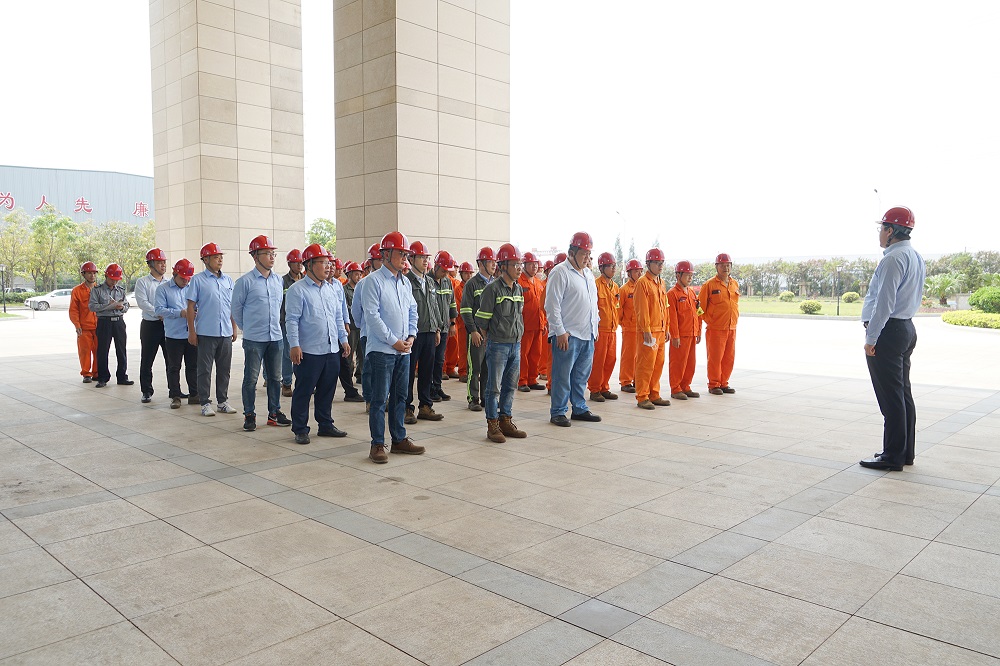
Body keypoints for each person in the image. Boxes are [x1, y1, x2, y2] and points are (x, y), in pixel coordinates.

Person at [859, 206, 926, 471]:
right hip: (905, 328)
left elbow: (884, 303)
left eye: (881, 228)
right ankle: (905, 452)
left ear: (890, 231)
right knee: (902, 394)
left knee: (891, 398)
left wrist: (871, 337)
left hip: (888, 332)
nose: (879, 233)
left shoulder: (892, 259)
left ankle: (892, 456)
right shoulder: (915, 256)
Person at [361, 231, 423, 463]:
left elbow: (413, 311)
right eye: (401, 253)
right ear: (386, 254)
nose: (405, 258)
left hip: (404, 350)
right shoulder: (373, 281)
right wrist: (393, 341)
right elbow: (372, 316)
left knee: (400, 397)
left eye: (406, 254)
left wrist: (411, 336)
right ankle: (377, 444)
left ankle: (398, 439)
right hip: (382, 351)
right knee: (379, 400)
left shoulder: (405, 282)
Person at [285, 244, 351, 445]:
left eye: (328, 262)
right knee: (304, 391)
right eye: (322, 262)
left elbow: (338, 317)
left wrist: (343, 340)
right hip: (309, 351)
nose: (328, 266)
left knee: (327, 390)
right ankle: (300, 428)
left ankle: (325, 424)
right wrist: (294, 345)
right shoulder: (298, 290)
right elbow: (291, 320)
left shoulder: (331, 289)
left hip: (331, 349)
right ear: (309, 265)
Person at [233, 235, 291, 431]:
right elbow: (236, 310)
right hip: (254, 339)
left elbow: (279, 306)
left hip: (276, 337)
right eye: (267, 253)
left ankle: (274, 413)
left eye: (273, 253)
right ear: (255, 256)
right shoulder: (245, 282)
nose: (272, 257)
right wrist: (249, 328)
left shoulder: (277, 281)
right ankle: (249, 414)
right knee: (251, 379)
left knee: (275, 378)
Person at [545, 232, 600, 426]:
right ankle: (558, 412)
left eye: (589, 254)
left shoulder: (588, 274)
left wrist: (595, 328)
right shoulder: (560, 272)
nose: (587, 258)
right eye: (583, 253)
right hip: (568, 336)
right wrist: (559, 331)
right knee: (562, 376)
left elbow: (593, 304)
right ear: (571, 252)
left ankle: (579, 408)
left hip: (587, 334)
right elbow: (552, 305)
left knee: (581, 376)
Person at [476, 243, 528, 443]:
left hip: (515, 344)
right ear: (503, 266)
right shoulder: (492, 289)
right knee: (494, 387)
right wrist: (488, 341)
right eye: (515, 264)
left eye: (520, 264)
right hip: (498, 345)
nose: (519, 268)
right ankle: (493, 425)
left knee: (510, 385)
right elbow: (482, 321)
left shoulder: (518, 289)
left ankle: (506, 420)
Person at [186, 242, 238, 416]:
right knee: (204, 370)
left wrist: (234, 327)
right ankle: (205, 402)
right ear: (206, 260)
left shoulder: (228, 280)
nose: (220, 260)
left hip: (225, 333)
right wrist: (192, 332)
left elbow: (231, 306)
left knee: (224, 370)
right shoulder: (197, 280)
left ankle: (222, 401)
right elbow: (190, 307)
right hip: (206, 333)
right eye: (216, 257)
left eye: (221, 257)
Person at [404, 240, 445, 423]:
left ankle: (425, 406)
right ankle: (406, 407)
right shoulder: (405, 281)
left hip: (429, 332)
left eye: (427, 258)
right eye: (421, 257)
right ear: (411, 259)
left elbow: (434, 307)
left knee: (427, 371)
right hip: (412, 334)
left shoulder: (429, 281)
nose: (425, 261)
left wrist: (437, 329)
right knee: (408, 372)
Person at [155, 259, 199, 409]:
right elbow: (159, 310)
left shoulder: (192, 288)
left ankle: (194, 394)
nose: (186, 281)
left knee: (193, 366)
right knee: (174, 367)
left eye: (188, 279)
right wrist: (180, 313)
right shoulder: (163, 289)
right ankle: (175, 396)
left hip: (191, 333)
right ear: (174, 274)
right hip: (173, 335)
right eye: (182, 278)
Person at [633, 248, 672, 409]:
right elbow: (641, 309)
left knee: (658, 364)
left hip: (660, 330)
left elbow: (665, 307)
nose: (660, 266)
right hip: (649, 331)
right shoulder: (642, 283)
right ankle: (642, 396)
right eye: (657, 263)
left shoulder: (661, 283)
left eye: (662, 263)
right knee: (646, 364)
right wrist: (646, 330)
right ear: (648, 264)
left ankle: (654, 394)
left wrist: (666, 327)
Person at [460, 247, 496, 412]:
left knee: (488, 368)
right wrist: (473, 331)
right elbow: (465, 310)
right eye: (490, 262)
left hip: (491, 335)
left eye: (494, 261)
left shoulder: (496, 283)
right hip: (476, 335)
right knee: (474, 368)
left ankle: (485, 398)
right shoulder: (471, 284)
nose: (494, 265)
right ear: (480, 264)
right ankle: (473, 398)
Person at [89, 263, 132, 389]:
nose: (114, 282)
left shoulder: (121, 290)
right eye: (112, 279)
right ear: (106, 276)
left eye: (116, 280)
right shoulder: (97, 290)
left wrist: (121, 307)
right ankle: (102, 377)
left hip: (118, 322)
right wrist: (109, 306)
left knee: (121, 350)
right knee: (102, 350)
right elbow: (92, 306)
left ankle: (122, 376)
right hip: (104, 322)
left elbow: (126, 305)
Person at [352, 243, 384, 411]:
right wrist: (363, 326)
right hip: (368, 333)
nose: (383, 262)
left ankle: (383, 398)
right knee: (369, 368)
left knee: (384, 369)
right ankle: (370, 399)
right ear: (371, 262)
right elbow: (356, 310)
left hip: (387, 334)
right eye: (379, 259)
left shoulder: (392, 281)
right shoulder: (363, 283)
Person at [701, 252, 739, 395]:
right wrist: (709, 319)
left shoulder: (734, 284)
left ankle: (724, 383)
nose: (725, 268)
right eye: (722, 265)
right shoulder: (709, 285)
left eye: (728, 265)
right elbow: (699, 308)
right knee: (715, 358)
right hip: (715, 329)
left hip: (731, 327)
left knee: (729, 357)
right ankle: (714, 384)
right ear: (716, 267)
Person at [135, 248, 168, 403]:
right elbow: (143, 303)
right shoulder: (143, 282)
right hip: (150, 326)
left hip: (168, 325)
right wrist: (159, 313)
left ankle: (174, 391)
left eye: (164, 262)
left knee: (172, 361)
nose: (163, 265)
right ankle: (146, 391)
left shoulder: (169, 282)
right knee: (147, 360)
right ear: (150, 264)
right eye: (159, 262)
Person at [587, 251, 621, 402]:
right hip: (600, 330)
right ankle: (594, 389)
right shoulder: (595, 285)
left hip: (612, 330)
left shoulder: (615, 287)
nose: (613, 268)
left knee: (610, 360)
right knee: (598, 361)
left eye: (614, 265)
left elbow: (616, 307)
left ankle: (604, 387)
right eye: (609, 266)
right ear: (601, 268)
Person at [668, 260, 702, 400]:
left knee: (690, 363)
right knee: (678, 363)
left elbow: (698, 312)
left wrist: (699, 330)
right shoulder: (672, 294)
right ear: (678, 275)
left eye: (691, 275)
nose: (690, 278)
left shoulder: (692, 293)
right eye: (687, 275)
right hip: (680, 336)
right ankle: (676, 389)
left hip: (692, 333)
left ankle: (685, 386)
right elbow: (672, 317)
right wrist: (675, 335)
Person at [430, 250, 458, 402]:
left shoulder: (447, 281)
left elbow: (452, 303)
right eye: (443, 271)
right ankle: (429, 389)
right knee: (430, 359)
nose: (445, 274)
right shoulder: (427, 280)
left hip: (444, 328)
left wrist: (452, 323)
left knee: (440, 359)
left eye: (447, 271)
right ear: (435, 266)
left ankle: (437, 386)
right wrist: (435, 328)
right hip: (431, 329)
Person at [517, 251, 546, 392]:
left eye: (535, 264)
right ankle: (522, 381)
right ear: (524, 265)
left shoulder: (539, 283)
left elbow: (543, 305)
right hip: (525, 326)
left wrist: (544, 323)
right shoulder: (518, 282)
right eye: (530, 264)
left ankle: (532, 379)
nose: (534, 267)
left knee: (536, 354)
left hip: (538, 325)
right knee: (523, 354)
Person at [279, 248, 304, 398]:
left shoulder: (306, 279)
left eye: (301, 262)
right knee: (288, 354)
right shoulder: (282, 281)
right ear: (289, 264)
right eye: (296, 263)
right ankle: (287, 383)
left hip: (305, 323)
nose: (299, 265)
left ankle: (303, 382)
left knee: (304, 353)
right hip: (287, 322)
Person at [70, 262, 99, 383]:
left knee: (99, 351)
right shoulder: (77, 291)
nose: (92, 275)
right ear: (83, 274)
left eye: (94, 273)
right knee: (85, 351)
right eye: (89, 273)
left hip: (99, 327)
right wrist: (77, 325)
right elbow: (73, 310)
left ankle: (97, 373)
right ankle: (86, 373)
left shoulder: (99, 289)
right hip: (84, 327)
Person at [340, 261, 365, 403]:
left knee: (362, 354)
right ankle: (348, 379)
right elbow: (346, 307)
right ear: (349, 275)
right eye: (356, 274)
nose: (359, 276)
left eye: (360, 274)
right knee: (349, 355)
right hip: (351, 327)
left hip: (361, 326)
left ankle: (360, 375)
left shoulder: (361, 288)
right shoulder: (344, 289)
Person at [618, 258, 643, 393]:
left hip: (641, 328)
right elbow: (619, 309)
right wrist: (624, 324)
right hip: (629, 328)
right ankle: (626, 381)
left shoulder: (642, 287)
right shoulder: (624, 290)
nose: (639, 273)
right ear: (629, 273)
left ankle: (636, 379)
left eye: (640, 271)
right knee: (628, 356)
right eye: (636, 271)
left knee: (639, 356)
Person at [455, 261, 474, 382]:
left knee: (472, 351)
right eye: (466, 273)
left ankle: (471, 371)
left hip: (473, 324)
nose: (469, 276)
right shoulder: (458, 289)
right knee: (463, 349)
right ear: (461, 274)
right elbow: (460, 307)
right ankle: (463, 372)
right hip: (463, 324)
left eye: (470, 273)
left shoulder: (472, 287)